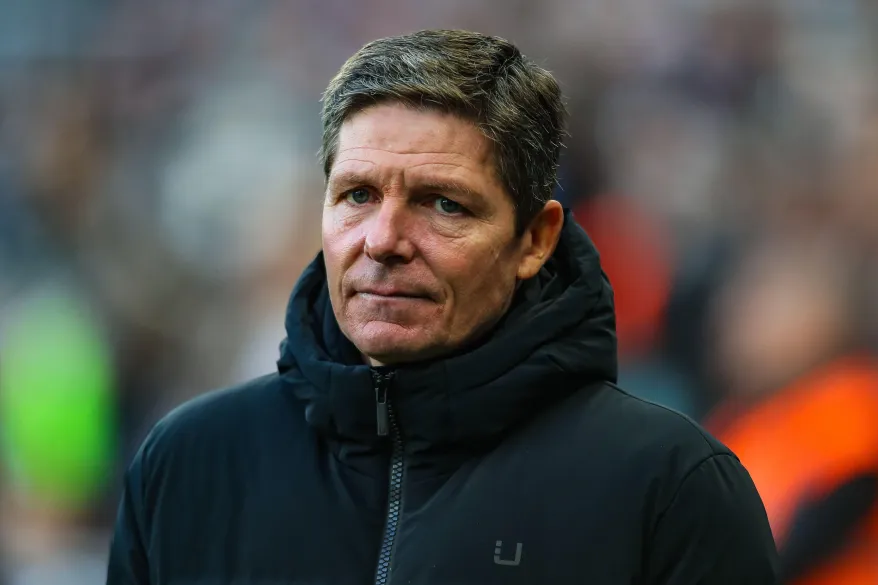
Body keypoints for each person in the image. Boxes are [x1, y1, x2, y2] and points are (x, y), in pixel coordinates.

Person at [106, 29, 779, 584]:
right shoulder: (187, 465)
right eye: (357, 195)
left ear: (535, 240)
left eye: (443, 204)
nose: (383, 240)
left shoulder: (668, 488)